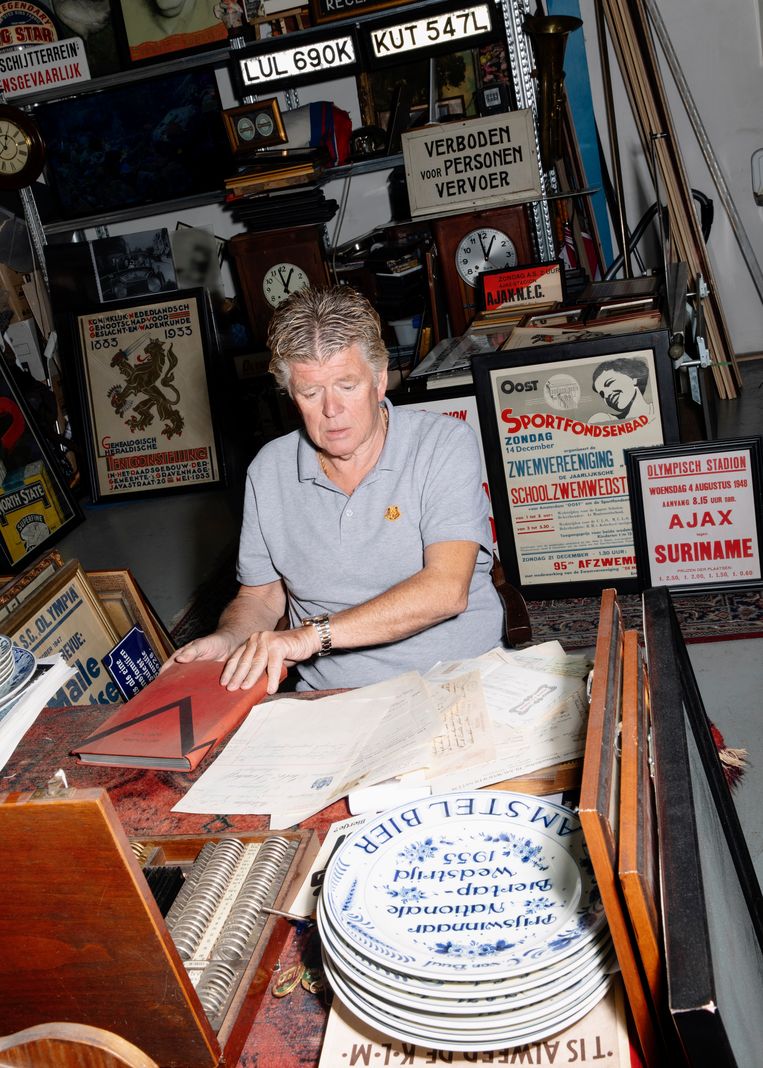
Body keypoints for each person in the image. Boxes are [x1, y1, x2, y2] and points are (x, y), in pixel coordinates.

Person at [170, 285, 505, 694]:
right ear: (291, 397)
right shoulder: (269, 471)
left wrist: (313, 635)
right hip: (335, 698)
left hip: (457, 676)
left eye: (347, 385)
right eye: (311, 393)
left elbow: (446, 589)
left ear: (380, 381)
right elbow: (260, 599)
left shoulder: (443, 444)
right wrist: (229, 639)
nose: (331, 410)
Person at [591, 356, 654, 422]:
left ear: (633, 378)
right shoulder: (605, 419)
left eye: (609, 383)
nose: (606, 395)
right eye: (602, 394)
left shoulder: (657, 409)